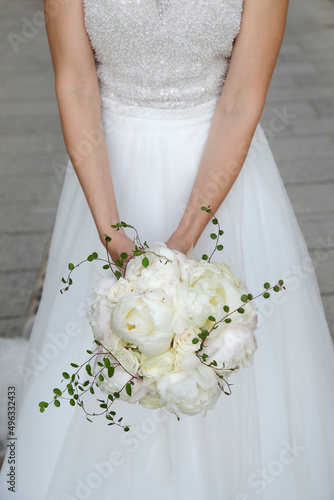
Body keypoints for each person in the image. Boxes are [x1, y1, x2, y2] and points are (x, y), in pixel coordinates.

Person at [1, 0, 334, 498]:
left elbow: (241, 97)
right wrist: (110, 229)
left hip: (222, 174)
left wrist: (185, 236)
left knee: (222, 352)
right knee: (104, 352)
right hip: (108, 170)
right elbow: (75, 81)